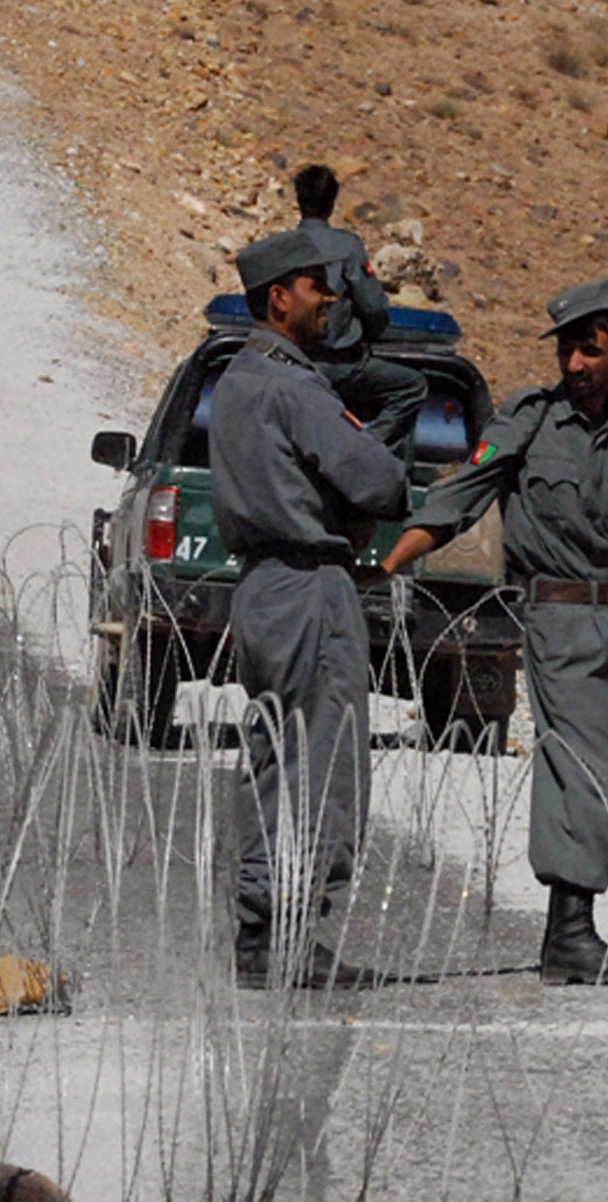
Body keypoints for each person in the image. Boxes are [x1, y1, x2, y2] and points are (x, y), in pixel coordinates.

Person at [381, 280, 608, 986]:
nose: (574, 364)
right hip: (560, 618)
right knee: (584, 765)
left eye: (590, 350)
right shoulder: (529, 421)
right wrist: (388, 564)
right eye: (567, 348)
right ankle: (568, 929)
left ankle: (578, 911)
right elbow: (458, 499)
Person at [210, 229, 411, 990]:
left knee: (270, 755)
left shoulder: (235, 379)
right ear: (277, 299)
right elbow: (378, 484)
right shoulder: (295, 387)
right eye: (314, 286)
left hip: (260, 586)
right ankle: (297, 930)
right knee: (324, 756)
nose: (328, 298)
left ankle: (259, 933)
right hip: (311, 585)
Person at [292, 165, 427, 460]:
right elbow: (373, 306)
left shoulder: (280, 247)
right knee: (412, 387)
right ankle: (361, 452)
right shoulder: (347, 246)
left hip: (290, 362)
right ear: (333, 201)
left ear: (298, 199)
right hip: (341, 363)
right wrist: (369, 335)